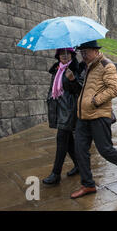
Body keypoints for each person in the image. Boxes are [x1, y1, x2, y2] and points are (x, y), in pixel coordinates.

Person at [70, 40, 117, 199]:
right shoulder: (86, 67)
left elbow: (114, 89)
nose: (83, 55)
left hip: (99, 115)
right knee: (80, 150)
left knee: (105, 149)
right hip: (83, 116)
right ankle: (88, 184)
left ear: (95, 51)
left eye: (85, 52)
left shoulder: (107, 65)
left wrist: (95, 100)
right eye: (81, 52)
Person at [43, 48, 84, 185]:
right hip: (58, 108)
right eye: (62, 54)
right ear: (58, 56)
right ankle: (79, 165)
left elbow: (79, 90)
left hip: (69, 110)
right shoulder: (57, 69)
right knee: (68, 141)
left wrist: (72, 79)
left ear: (72, 55)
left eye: (67, 53)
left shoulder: (75, 69)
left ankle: (56, 174)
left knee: (61, 139)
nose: (64, 56)